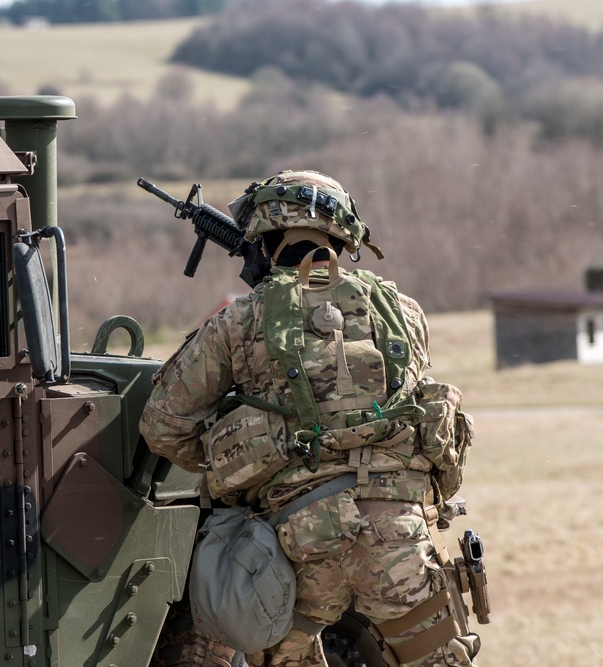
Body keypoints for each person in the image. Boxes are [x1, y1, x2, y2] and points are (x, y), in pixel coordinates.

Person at [140, 170, 481, 667]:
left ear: (262, 241)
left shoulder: (240, 320)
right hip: (400, 535)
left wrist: (241, 462)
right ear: (345, 237)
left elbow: (163, 424)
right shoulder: (404, 311)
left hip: (298, 542)